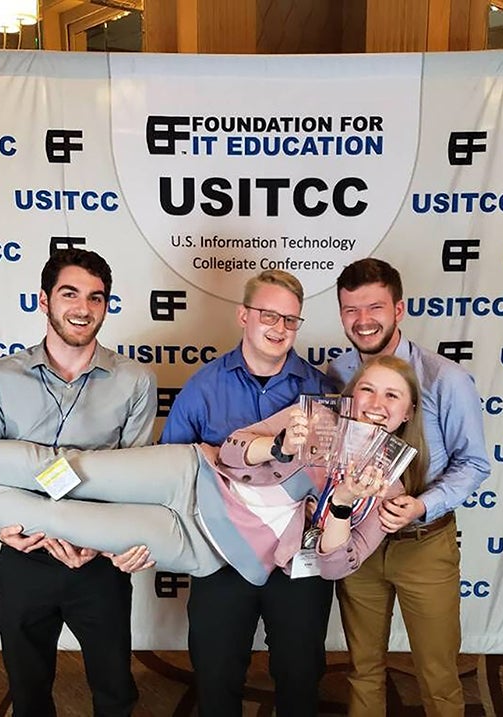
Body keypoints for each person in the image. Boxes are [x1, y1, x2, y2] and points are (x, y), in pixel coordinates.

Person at [0, 356, 426, 585]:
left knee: (50, 519)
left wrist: (346, 503)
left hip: (207, 545)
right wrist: (276, 447)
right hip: (191, 476)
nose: (376, 402)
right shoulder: (317, 418)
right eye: (368, 389)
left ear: (406, 412)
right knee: (61, 472)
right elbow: (233, 450)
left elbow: (327, 566)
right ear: (352, 393)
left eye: (392, 396)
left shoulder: (389, 490)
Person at [0, 248, 157, 717]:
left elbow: (135, 477)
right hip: (24, 554)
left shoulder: (135, 379)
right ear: (44, 300)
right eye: (70, 294)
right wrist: (6, 528)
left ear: (106, 305)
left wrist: (97, 543)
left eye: (96, 298)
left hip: (94, 560)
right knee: (27, 685)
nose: (83, 308)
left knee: (115, 687)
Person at [160, 269, 337, 716]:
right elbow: (173, 471)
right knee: (216, 676)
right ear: (243, 315)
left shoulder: (321, 391)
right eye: (269, 315)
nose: (280, 328)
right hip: (222, 555)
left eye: (291, 320)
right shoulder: (202, 387)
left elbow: (335, 475)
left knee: (301, 676)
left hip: (297, 560)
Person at [328, 258, 491, 717]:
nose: (363, 321)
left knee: (438, 675)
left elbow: (474, 463)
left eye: (374, 307)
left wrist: (421, 505)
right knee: (362, 669)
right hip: (359, 543)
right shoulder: (336, 376)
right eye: (350, 310)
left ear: (399, 309)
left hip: (424, 545)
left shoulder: (447, 379)